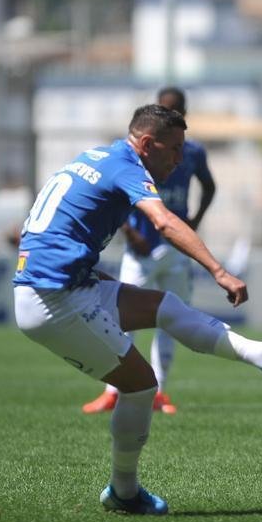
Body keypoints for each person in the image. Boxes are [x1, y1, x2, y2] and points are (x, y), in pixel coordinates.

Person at [14, 104, 262, 515]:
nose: (179, 160)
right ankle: (124, 492)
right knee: (141, 385)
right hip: (53, 298)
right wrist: (219, 270)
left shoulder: (95, 157)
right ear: (146, 144)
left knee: (165, 306)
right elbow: (164, 222)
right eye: (174, 149)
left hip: (60, 285)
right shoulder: (127, 167)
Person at [83, 87, 217, 416]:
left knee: (171, 319)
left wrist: (194, 221)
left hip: (174, 250)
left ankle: (161, 391)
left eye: (176, 111)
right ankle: (112, 391)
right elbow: (121, 194)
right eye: (164, 108)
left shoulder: (192, 152)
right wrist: (128, 230)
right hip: (140, 248)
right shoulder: (137, 156)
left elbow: (210, 186)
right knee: (120, 316)